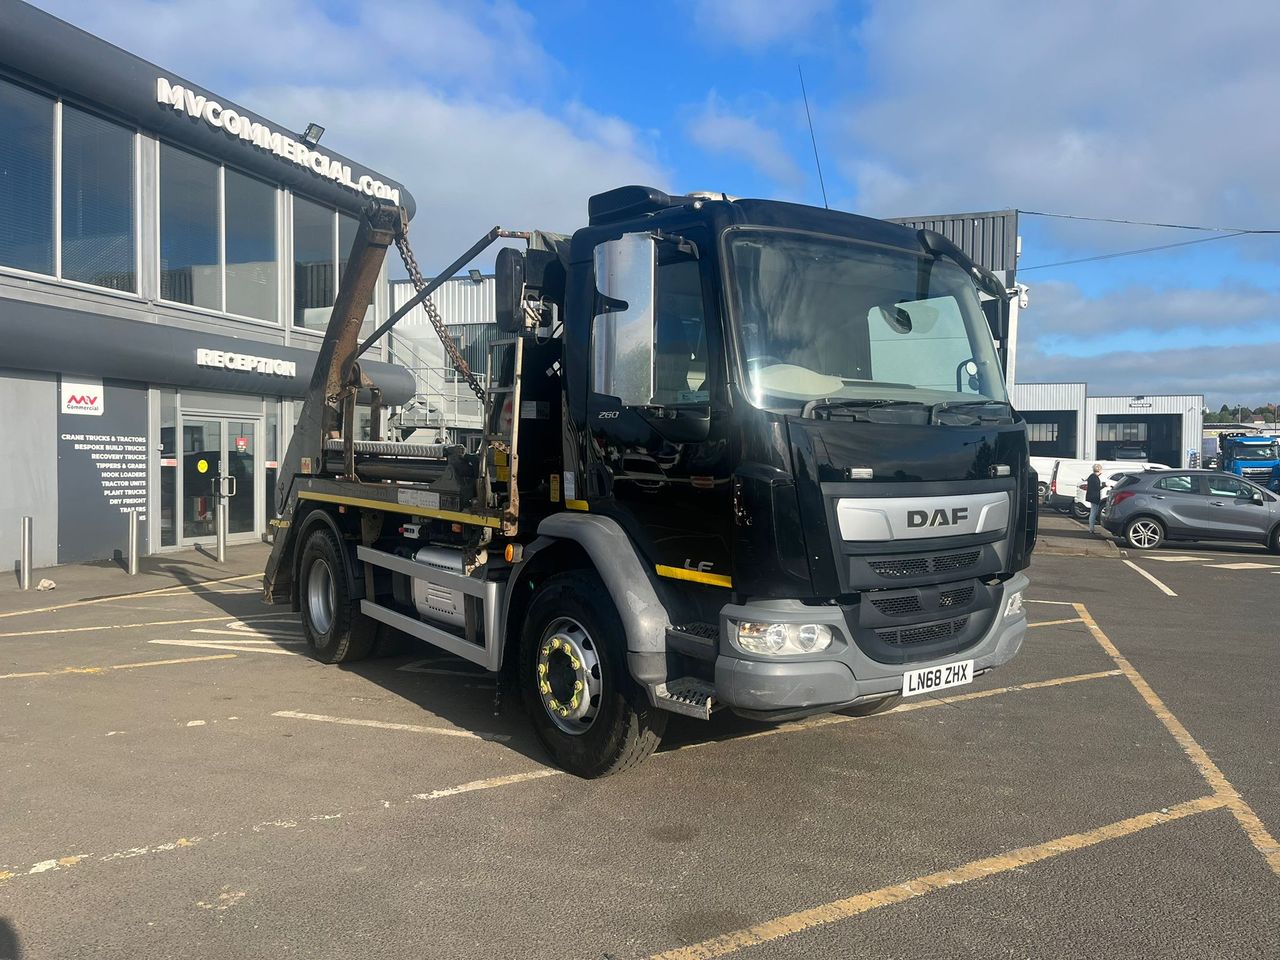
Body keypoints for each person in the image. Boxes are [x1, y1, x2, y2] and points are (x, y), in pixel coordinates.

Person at [1085, 463, 1103, 534]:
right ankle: (1091, 529)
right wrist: (1104, 486)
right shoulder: (1095, 477)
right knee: (1093, 513)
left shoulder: (1091, 476)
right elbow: (1097, 488)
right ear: (1099, 470)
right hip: (1094, 497)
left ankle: (1091, 528)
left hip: (1091, 496)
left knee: (1093, 512)